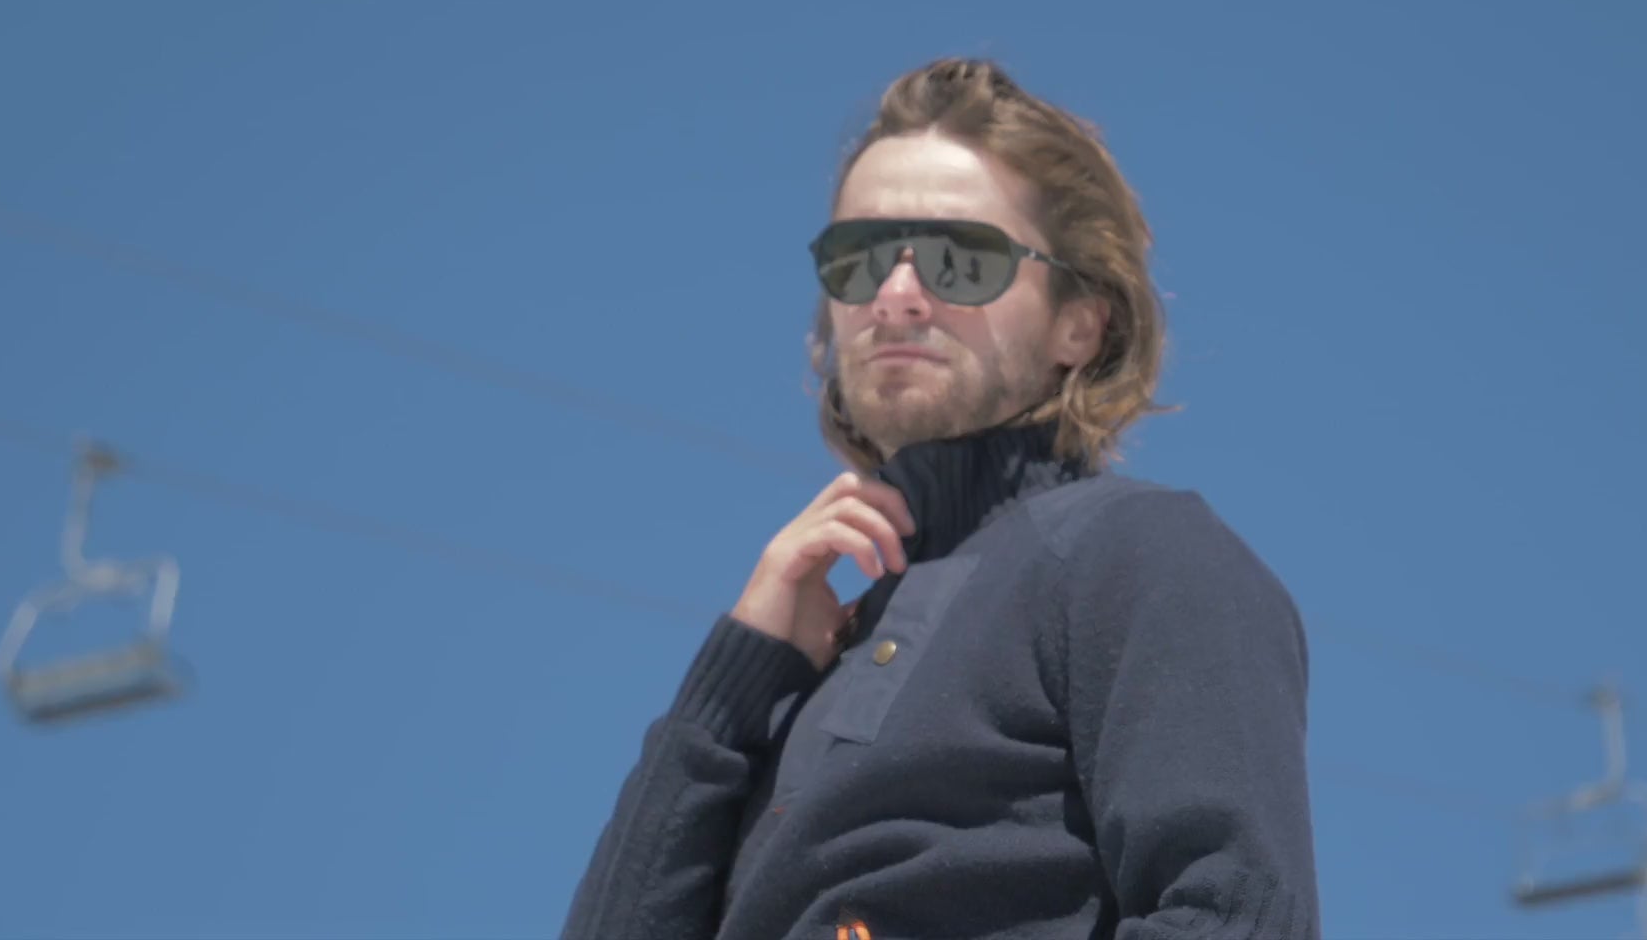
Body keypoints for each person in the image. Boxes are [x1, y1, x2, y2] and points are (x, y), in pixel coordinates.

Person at [560, 58, 1320, 939]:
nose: (895, 299)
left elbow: (1238, 917)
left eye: (959, 261)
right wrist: (733, 686)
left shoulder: (1138, 550)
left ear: (1079, 323)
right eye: (859, 260)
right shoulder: (809, 666)